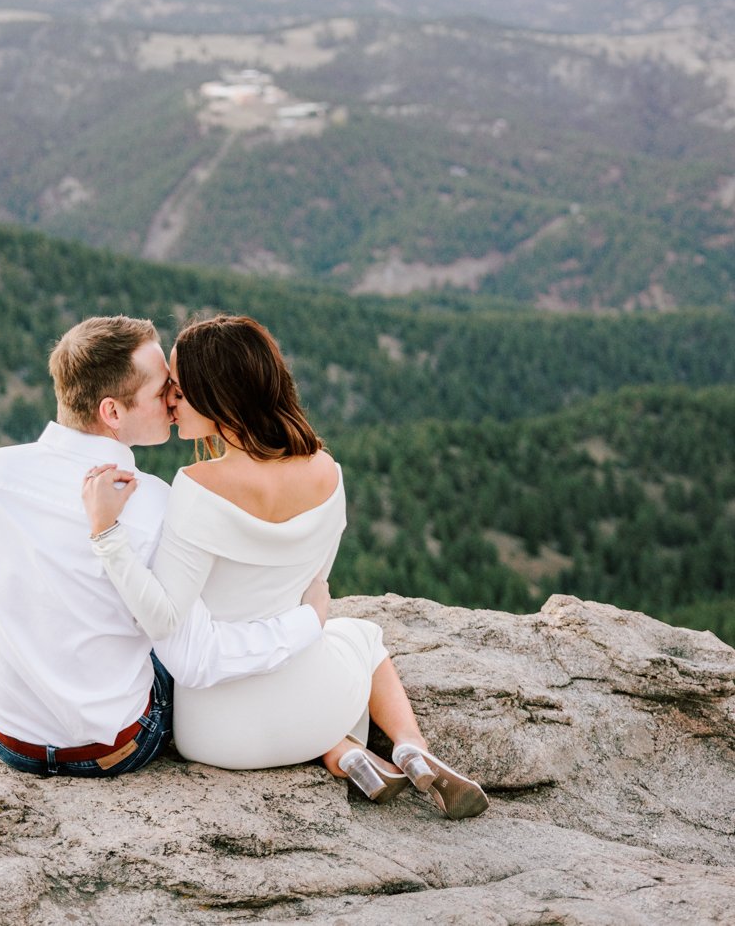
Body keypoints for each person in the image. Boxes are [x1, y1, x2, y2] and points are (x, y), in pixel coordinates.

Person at [82, 313, 488, 817]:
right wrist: (306, 617)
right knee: (362, 637)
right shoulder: (327, 471)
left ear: (218, 395)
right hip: (313, 707)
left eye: (180, 391)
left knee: (316, 638)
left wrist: (106, 535)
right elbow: (313, 584)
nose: (169, 402)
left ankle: (348, 756)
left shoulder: (196, 487)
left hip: (215, 736)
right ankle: (407, 745)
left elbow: (162, 618)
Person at [0, 314, 329, 779]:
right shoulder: (150, 507)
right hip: (115, 746)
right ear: (112, 413)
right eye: (162, 389)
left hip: (6, 737)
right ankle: (328, 734)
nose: (173, 401)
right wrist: (307, 621)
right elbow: (198, 660)